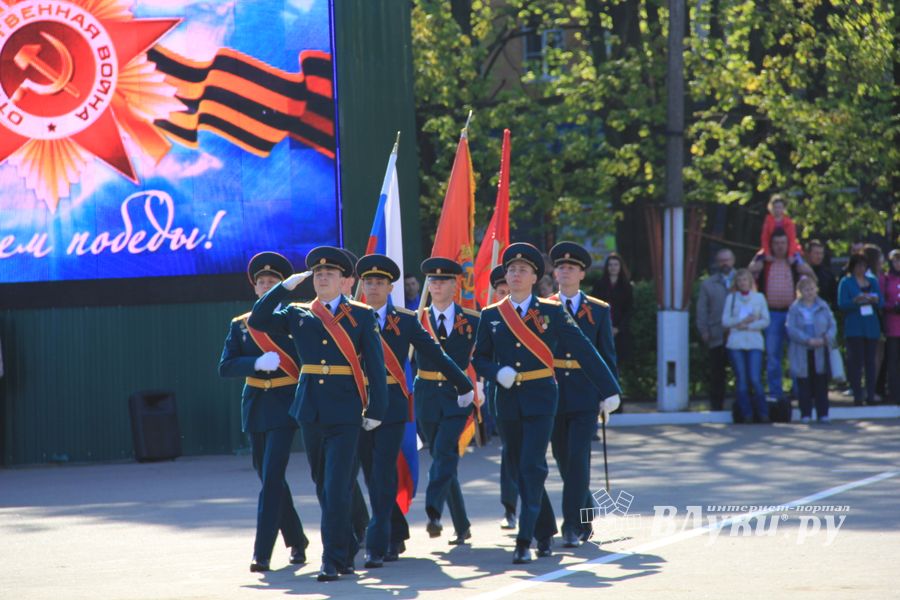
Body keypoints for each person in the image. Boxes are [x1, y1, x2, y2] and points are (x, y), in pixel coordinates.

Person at [472, 242, 620, 564]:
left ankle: (532, 538)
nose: (514, 274)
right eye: (510, 269)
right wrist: (498, 372)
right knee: (519, 466)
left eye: (522, 269)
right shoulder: (493, 315)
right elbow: (479, 358)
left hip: (548, 398)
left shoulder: (553, 312)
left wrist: (610, 389)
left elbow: (588, 351)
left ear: (535, 276)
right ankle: (544, 529)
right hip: (509, 402)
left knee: (541, 465)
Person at [248, 246, 388, 582]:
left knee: (338, 484)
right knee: (322, 485)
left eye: (330, 273)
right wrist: (283, 288)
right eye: (318, 273)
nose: (322, 277)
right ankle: (349, 542)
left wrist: (376, 409)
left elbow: (375, 366)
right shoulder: (298, 313)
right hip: (310, 409)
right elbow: (258, 319)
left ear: (344, 281)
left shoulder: (361, 315)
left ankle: (332, 558)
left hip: (345, 410)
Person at [353, 254, 473, 568]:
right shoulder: (350, 318)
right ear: (362, 286)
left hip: (393, 408)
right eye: (369, 282)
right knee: (370, 476)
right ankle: (395, 529)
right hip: (359, 406)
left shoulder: (406, 320)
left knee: (383, 473)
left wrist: (464, 384)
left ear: (390, 287)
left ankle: (379, 545)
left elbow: (436, 353)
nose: (374, 287)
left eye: (380, 282)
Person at [217, 252, 308, 573]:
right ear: (255, 289)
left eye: (273, 282)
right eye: (262, 282)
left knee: (270, 479)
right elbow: (225, 367)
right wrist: (254, 363)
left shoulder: (294, 319)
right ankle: (297, 540)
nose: (266, 286)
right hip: (255, 404)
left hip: (284, 405)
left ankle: (262, 552)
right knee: (270, 477)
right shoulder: (241, 325)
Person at [547, 241, 618, 548]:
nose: (565, 271)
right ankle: (585, 515)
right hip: (551, 392)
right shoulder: (542, 307)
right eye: (560, 267)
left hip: (585, 392)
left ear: (581, 274)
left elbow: (606, 354)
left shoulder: (599, 310)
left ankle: (571, 525)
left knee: (578, 459)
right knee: (564, 461)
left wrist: (609, 391)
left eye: (571, 268)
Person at [415, 257, 480, 545]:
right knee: (444, 458)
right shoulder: (416, 318)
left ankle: (433, 512)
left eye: (443, 280)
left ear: (455, 285)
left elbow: (487, 352)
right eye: (432, 280)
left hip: (458, 396)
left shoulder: (473, 320)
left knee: (443, 451)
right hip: (427, 395)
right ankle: (462, 524)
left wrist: (480, 383)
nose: (436, 284)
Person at [749, 228, 815, 402]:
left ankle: (798, 391)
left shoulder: (795, 261)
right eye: (776, 243)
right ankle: (776, 392)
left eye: (783, 243)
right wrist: (757, 264)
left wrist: (804, 268)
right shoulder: (764, 259)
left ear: (788, 244)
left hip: (793, 314)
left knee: (796, 354)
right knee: (772, 355)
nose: (779, 247)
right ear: (771, 244)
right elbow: (747, 276)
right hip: (771, 314)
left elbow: (812, 279)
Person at [486, 265, 518, 529]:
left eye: (508, 290)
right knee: (509, 450)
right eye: (500, 291)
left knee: (531, 455)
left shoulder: (530, 314)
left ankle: (534, 510)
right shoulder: (491, 318)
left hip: (533, 393)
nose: (505, 295)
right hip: (501, 392)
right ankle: (510, 507)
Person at [721, 268, 771, 423]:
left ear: (751, 282)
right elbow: (725, 321)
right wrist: (739, 323)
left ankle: (763, 413)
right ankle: (747, 414)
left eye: (745, 280)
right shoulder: (732, 298)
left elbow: (765, 320)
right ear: (736, 283)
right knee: (742, 379)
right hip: (736, 343)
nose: (743, 283)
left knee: (755, 378)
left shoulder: (759, 297)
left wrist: (750, 324)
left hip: (754, 342)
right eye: (740, 280)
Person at [786, 276, 837, 423]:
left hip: (820, 349)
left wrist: (825, 339)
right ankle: (806, 414)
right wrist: (807, 340)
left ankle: (823, 414)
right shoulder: (794, 308)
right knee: (804, 383)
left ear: (816, 289)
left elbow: (832, 326)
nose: (809, 292)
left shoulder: (823, 306)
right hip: (802, 350)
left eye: (812, 288)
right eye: (806, 289)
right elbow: (791, 329)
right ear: (800, 291)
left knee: (821, 382)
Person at [838, 253, 883, 406]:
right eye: (858, 265)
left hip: (871, 327)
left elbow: (881, 302)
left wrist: (874, 300)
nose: (861, 269)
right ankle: (857, 395)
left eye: (864, 265)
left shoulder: (872, 281)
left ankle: (870, 394)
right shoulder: (846, 282)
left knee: (871, 363)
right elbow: (842, 304)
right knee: (856, 363)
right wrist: (855, 301)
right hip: (854, 327)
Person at [696, 248, 736, 410]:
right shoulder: (708, 284)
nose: (725, 263)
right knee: (717, 373)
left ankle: (743, 406)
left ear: (733, 261)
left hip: (739, 334)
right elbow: (702, 309)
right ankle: (716, 407)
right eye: (722, 260)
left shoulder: (743, 279)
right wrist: (703, 329)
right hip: (716, 334)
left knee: (741, 371)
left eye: (728, 259)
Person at [592, 252, 634, 365]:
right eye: (610, 265)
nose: (613, 267)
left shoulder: (626, 287)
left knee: (618, 361)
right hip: (602, 328)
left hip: (620, 331)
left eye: (616, 265)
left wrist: (618, 328)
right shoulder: (599, 285)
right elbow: (594, 306)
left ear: (620, 267)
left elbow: (629, 309)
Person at [760, 194, 803, 262]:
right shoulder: (768, 221)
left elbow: (792, 240)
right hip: (772, 248)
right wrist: (767, 253)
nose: (777, 210)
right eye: (775, 207)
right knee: (756, 263)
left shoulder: (789, 222)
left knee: (801, 264)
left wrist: (790, 255)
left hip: (788, 249)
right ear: (771, 208)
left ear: (783, 208)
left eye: (780, 207)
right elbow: (765, 239)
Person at [882, 250, 900, 405]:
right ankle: (894, 393)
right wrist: (892, 306)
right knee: (893, 361)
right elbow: (880, 300)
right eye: (895, 261)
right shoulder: (886, 279)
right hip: (893, 327)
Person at [806, 240, 837, 307]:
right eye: (816, 253)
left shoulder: (828, 275)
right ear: (808, 254)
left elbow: (834, 297)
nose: (819, 256)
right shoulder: (802, 273)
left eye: (821, 253)